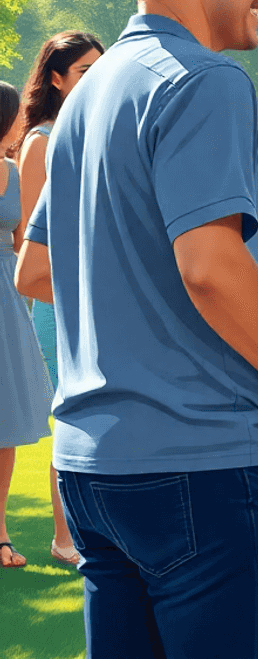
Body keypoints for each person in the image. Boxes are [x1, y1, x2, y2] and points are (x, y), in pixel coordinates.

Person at [16, 0, 258, 659]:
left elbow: (34, 269)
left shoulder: (85, 95)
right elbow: (210, 267)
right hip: (200, 460)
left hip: (90, 469)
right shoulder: (207, 79)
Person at [17, 29, 104, 568]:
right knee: (72, 411)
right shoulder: (43, 140)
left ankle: (87, 533)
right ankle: (64, 537)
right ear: (55, 78)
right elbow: (32, 234)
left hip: (95, 293)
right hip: (57, 296)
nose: (95, 81)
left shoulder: (92, 131)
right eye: (82, 73)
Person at [0, 81, 53, 569]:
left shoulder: (13, 173)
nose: (23, 121)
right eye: (16, 114)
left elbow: (21, 243)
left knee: (7, 419)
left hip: (6, 299)